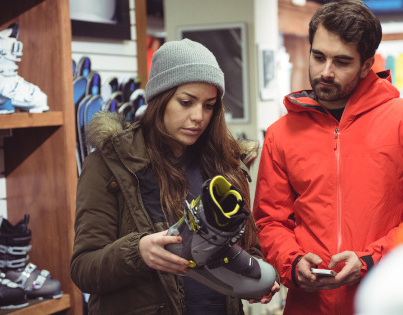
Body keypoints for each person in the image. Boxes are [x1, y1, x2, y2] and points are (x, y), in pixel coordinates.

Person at [252, 1, 403, 314]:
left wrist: (370, 261)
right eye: (318, 57)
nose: (326, 72)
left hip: (391, 300)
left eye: (342, 61)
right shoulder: (281, 133)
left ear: (366, 64)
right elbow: (270, 220)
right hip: (308, 305)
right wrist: (292, 263)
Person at [70, 38, 279, 315]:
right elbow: (83, 268)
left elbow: (245, 246)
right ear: (160, 99)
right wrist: (139, 252)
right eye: (186, 102)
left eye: (209, 105)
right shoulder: (110, 163)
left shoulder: (225, 164)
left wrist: (253, 278)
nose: (198, 117)